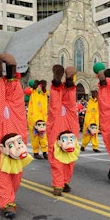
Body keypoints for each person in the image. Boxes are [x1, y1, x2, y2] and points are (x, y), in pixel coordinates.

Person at [0, 53, 33, 219]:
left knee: (8, 169)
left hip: (9, 129)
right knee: (1, 168)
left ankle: (1, 73)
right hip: (9, 128)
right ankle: (8, 72)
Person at [46, 65, 80, 196]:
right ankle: (69, 82)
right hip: (70, 122)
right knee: (69, 152)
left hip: (59, 123)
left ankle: (59, 184)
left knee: (56, 153)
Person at [27, 80, 49, 159]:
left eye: (41, 86)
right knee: (35, 136)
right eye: (39, 86)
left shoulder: (44, 94)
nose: (40, 88)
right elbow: (26, 92)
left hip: (42, 118)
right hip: (33, 118)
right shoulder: (32, 92)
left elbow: (46, 92)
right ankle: (35, 152)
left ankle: (44, 152)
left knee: (43, 136)